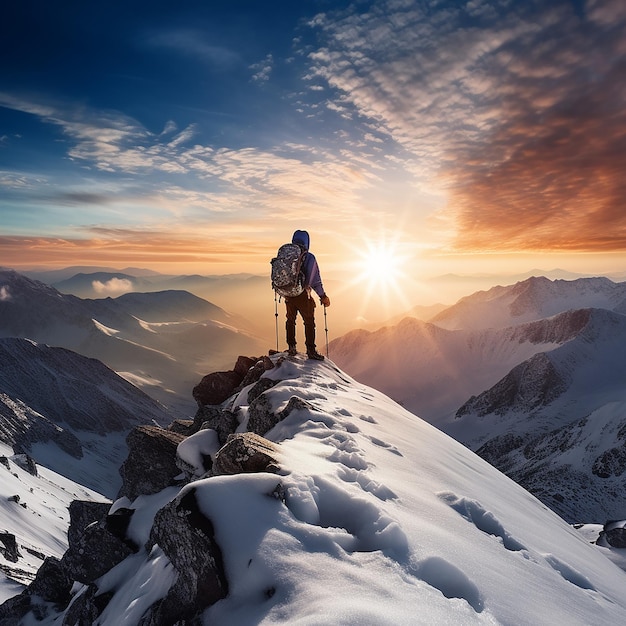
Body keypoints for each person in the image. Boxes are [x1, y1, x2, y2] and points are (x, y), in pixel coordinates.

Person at [285, 229, 331, 360]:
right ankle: (310, 350)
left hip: (288, 293)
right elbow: (315, 280)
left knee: (290, 319)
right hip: (303, 294)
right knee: (309, 321)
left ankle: (291, 347)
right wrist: (323, 296)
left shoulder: (288, 255)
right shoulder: (309, 257)